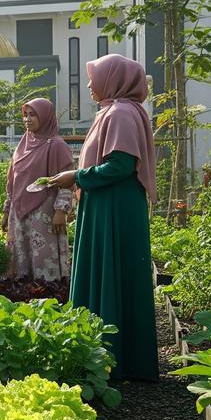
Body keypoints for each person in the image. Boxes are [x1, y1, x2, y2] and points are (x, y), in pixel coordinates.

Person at [48, 53, 158, 380]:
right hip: (107, 202)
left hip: (114, 206)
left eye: (94, 79)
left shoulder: (122, 113)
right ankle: (110, 355)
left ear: (114, 80)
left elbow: (122, 165)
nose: (89, 86)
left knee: (112, 269)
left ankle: (114, 358)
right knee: (109, 271)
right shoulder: (113, 110)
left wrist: (76, 177)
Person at [2, 98, 74, 281]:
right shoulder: (22, 145)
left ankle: (48, 296)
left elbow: (67, 181)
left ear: (45, 116)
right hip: (18, 213)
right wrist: (6, 211)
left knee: (43, 259)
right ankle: (24, 299)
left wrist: (60, 211)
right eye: (25, 115)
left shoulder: (57, 146)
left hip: (45, 213)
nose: (27, 119)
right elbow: (13, 182)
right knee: (21, 259)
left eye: (33, 115)